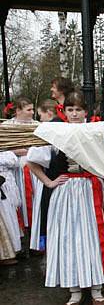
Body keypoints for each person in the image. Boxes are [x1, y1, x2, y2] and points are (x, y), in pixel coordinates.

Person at [26, 91, 104, 305]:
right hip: (66, 192)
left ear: (86, 112)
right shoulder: (55, 132)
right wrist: (49, 183)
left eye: (78, 110)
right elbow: (32, 161)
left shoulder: (95, 132)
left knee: (92, 238)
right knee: (69, 239)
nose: (75, 114)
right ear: (65, 112)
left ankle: (97, 289)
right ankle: (75, 292)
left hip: (91, 190)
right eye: (70, 110)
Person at [3, 97, 40, 238]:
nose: (32, 112)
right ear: (18, 110)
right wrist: (20, 151)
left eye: (33, 109)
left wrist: (26, 150)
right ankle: (20, 236)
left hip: (33, 168)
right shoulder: (7, 126)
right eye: (28, 109)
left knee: (33, 200)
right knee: (18, 202)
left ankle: (35, 235)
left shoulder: (36, 125)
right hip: (14, 170)